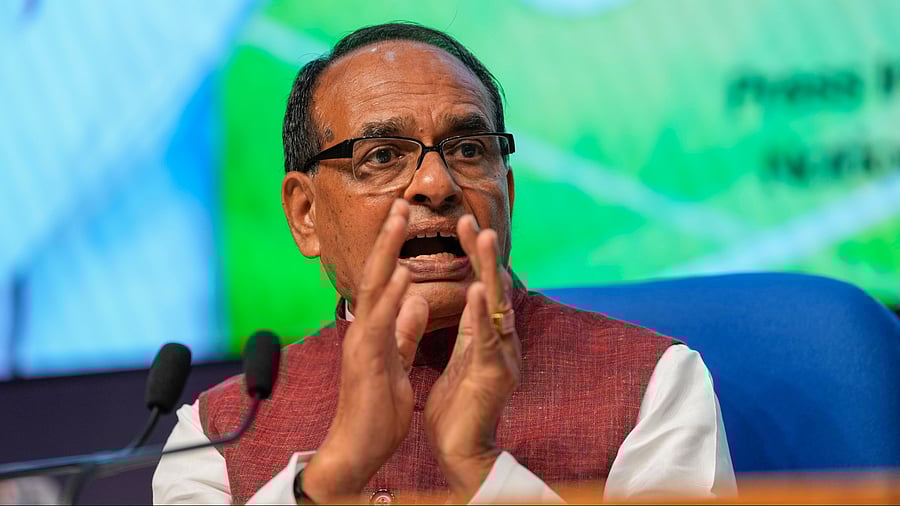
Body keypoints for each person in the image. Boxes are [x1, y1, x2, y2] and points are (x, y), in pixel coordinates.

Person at [153, 22, 736, 504]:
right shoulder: (220, 433)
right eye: (381, 156)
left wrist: (480, 468)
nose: (436, 183)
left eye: (467, 150)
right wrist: (333, 474)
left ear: (506, 192)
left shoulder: (652, 385)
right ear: (305, 214)